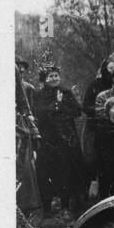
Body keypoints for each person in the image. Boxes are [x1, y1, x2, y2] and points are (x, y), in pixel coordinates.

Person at [33, 65, 89, 217]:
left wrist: (61, 105)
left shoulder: (65, 92)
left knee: (66, 171)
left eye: (56, 75)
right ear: (44, 79)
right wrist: (55, 106)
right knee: (47, 172)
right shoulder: (39, 95)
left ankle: (66, 205)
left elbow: (77, 111)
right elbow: (38, 113)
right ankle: (47, 208)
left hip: (66, 139)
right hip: (48, 140)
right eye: (50, 76)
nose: (54, 78)